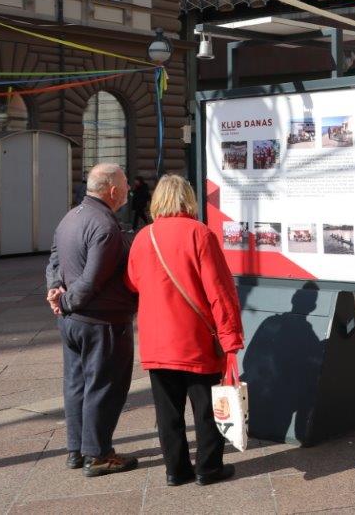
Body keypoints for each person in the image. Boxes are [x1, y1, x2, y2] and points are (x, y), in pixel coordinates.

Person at [125, 175, 243, 487]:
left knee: (167, 412)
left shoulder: (143, 237)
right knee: (205, 407)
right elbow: (219, 291)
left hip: (156, 339)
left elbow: (133, 282)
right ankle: (208, 468)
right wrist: (231, 339)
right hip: (195, 338)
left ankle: (175, 470)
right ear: (187, 199)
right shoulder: (200, 234)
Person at [45, 163, 137, 477]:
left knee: (77, 385)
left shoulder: (71, 216)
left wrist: (55, 292)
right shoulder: (106, 226)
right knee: (104, 386)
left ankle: (77, 450)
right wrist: (67, 300)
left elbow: (54, 260)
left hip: (72, 322)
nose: (128, 190)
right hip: (101, 321)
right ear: (112, 190)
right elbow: (92, 279)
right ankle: (98, 454)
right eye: (125, 185)